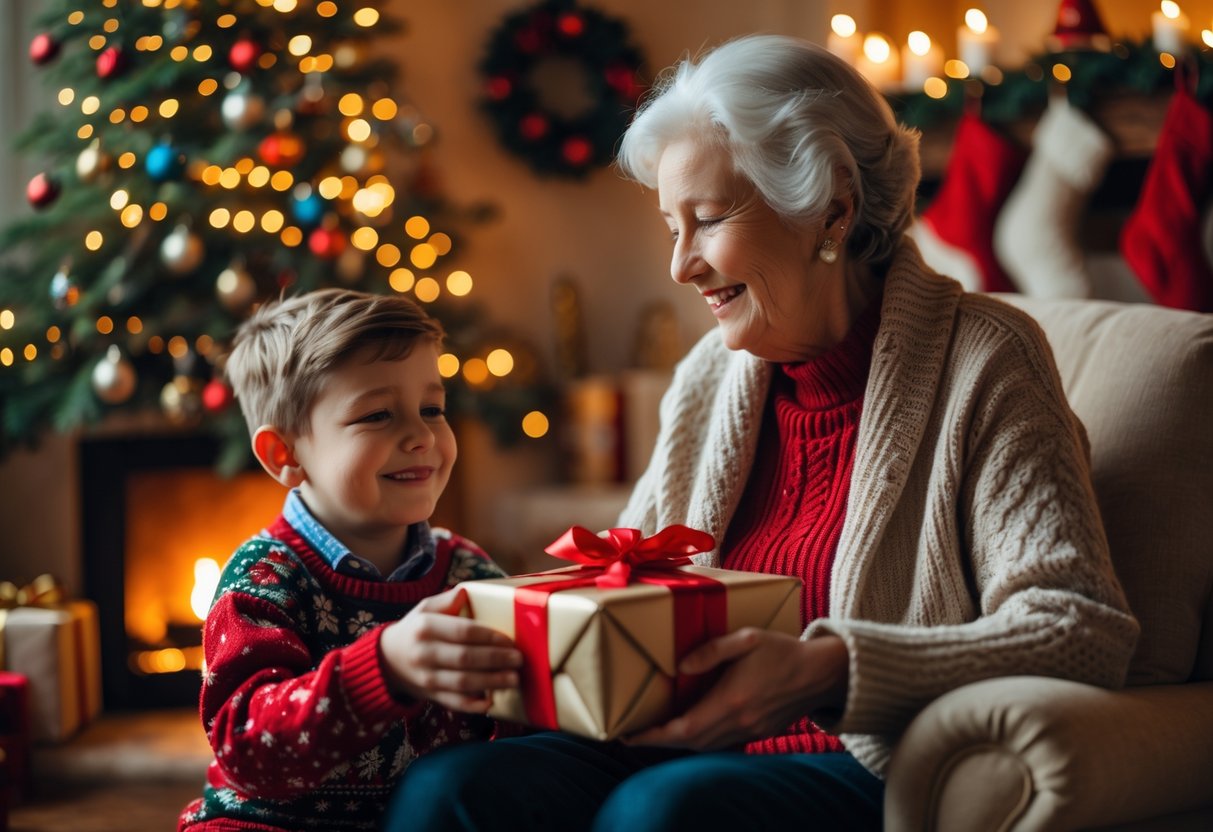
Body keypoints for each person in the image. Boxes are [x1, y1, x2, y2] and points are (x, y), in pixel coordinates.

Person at [383, 33, 1141, 831]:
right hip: (677, 745)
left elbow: (1078, 627)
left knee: (662, 811)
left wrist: (829, 670)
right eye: (671, 227)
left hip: (863, 757)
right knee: (452, 788)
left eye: (707, 221)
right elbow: (623, 582)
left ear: (831, 210)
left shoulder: (985, 358)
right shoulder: (711, 374)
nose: (681, 266)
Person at [177, 289, 523, 831]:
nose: (422, 436)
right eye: (378, 415)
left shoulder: (467, 572)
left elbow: (526, 705)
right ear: (284, 455)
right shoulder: (264, 578)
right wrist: (382, 668)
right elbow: (244, 748)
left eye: (432, 408)